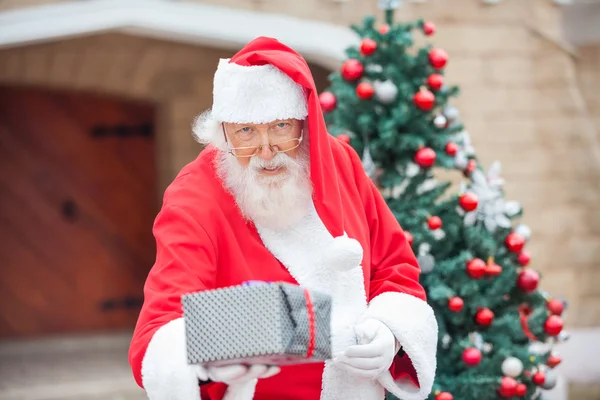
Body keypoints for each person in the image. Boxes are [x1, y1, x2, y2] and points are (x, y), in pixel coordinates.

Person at [128, 36, 438, 400]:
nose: (266, 150)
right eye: (246, 132)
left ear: (303, 125)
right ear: (223, 132)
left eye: (280, 127)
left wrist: (391, 331)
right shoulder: (193, 197)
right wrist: (207, 362)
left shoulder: (341, 163)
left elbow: (395, 266)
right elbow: (161, 326)